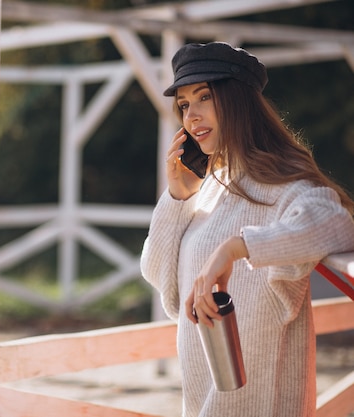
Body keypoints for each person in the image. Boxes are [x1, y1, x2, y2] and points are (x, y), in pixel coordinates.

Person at [140, 41, 354, 417]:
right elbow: (164, 282)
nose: (191, 116)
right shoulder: (209, 190)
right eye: (185, 104)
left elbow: (335, 224)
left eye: (204, 97)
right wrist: (176, 198)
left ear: (238, 102)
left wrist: (235, 248)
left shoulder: (283, 187)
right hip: (201, 403)